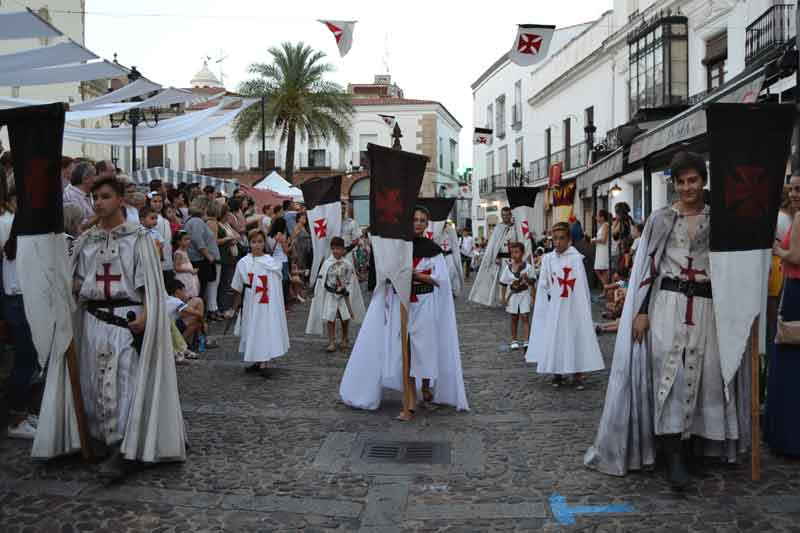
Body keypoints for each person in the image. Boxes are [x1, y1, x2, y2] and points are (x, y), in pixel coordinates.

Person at [585, 151, 749, 490]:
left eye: (693, 180)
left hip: (707, 306)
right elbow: (647, 270)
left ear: (703, 181)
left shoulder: (719, 219)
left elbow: (732, 265)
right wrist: (641, 312)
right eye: (681, 181)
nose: (687, 187)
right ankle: (672, 456)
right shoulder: (660, 220)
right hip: (667, 305)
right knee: (669, 375)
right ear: (673, 185)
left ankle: (691, 451)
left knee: (704, 375)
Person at [34, 176, 186, 473]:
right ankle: (99, 441)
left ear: (120, 200)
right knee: (93, 384)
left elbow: (148, 285)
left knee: (124, 385)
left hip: (124, 323)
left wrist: (145, 313)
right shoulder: (85, 241)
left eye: (105, 196)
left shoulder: (138, 238)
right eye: (95, 198)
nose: (98, 203)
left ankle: (126, 449)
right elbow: (77, 283)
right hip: (92, 322)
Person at [339, 206, 469, 419]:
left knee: (425, 350)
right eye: (415, 219)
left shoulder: (433, 250)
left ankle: (426, 385)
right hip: (403, 303)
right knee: (406, 350)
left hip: (425, 305)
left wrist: (416, 276)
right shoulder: (400, 249)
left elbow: (441, 280)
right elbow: (387, 276)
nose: (418, 223)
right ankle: (409, 402)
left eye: (422, 220)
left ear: (427, 224)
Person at [525, 222, 604, 390]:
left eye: (562, 238)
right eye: (555, 239)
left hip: (573, 307)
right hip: (555, 307)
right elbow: (544, 283)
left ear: (568, 239)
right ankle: (557, 372)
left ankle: (577, 373)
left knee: (574, 336)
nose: (558, 242)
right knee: (556, 337)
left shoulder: (575, 259)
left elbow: (581, 287)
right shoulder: (548, 259)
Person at [2, 185, 40, 439]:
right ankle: (17, 417)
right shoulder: (6, 222)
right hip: (16, 297)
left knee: (31, 358)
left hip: (21, 295)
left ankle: (25, 411)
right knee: (25, 359)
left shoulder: (10, 220)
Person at [766, 172, 800, 457]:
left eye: (799, 189)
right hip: (792, 286)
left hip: (795, 288)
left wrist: (776, 247)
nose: (795, 194)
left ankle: (788, 433)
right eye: (793, 188)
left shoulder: (798, 217)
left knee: (787, 353)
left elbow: (796, 256)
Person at [228, 229, 289, 376]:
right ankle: (256, 360)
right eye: (254, 242)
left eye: (260, 242)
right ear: (249, 243)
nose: (257, 245)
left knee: (264, 330)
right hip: (250, 302)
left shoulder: (271, 263)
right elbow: (238, 286)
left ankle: (264, 362)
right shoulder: (243, 262)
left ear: (264, 243)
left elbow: (275, 286)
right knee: (251, 330)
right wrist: (234, 308)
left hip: (266, 304)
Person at [306, 236, 366, 352]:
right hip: (331, 294)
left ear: (343, 249)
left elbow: (351, 279)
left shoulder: (347, 264)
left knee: (345, 317)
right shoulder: (327, 263)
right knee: (330, 317)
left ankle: (344, 337)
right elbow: (322, 280)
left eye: (339, 248)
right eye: (333, 248)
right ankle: (331, 341)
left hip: (343, 295)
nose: (336, 251)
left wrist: (345, 287)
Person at [469, 207, 521, 307]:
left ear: (510, 215)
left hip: (513, 258)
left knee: (513, 279)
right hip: (502, 259)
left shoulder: (515, 227)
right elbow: (494, 245)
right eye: (503, 215)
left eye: (507, 215)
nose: (505, 217)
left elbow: (519, 242)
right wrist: (496, 256)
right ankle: (503, 299)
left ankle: (512, 298)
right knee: (503, 279)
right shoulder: (499, 228)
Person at [183, 197, 220, 315]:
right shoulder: (197, 221)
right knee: (199, 290)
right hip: (199, 260)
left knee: (201, 289)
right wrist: (209, 256)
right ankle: (198, 316)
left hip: (199, 259)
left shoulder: (194, 221)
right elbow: (198, 240)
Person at [500, 242, 535, 351]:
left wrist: (527, 279)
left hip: (524, 294)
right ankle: (514, 340)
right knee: (514, 318)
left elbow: (533, 282)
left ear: (522, 253)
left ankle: (526, 340)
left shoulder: (528, 267)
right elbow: (503, 283)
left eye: (517, 252)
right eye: (512, 252)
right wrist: (503, 298)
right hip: (513, 296)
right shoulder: (508, 268)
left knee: (525, 316)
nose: (514, 255)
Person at [430, 220, 464, 297]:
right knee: (441, 274)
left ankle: (453, 290)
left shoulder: (451, 230)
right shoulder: (435, 231)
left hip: (449, 255)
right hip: (440, 256)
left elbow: (454, 244)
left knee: (452, 272)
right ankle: (442, 291)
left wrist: (456, 255)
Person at [148, 192, 174, 282]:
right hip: (156, 262)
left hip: (167, 261)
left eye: (160, 201)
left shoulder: (165, 219)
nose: (158, 204)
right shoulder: (150, 220)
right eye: (154, 201)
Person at [63, 161, 96, 226]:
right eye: (94, 175)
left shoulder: (88, 193)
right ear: (85, 179)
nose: (97, 178)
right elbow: (80, 226)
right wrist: (101, 214)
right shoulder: (70, 196)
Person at [266, 216, 291, 302]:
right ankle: (283, 301)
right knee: (284, 281)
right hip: (283, 260)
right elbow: (286, 250)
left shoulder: (269, 236)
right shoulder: (282, 237)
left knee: (276, 281)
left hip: (273, 260)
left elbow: (269, 249)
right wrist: (291, 244)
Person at [172, 230, 200, 299]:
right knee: (185, 295)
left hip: (188, 277)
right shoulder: (178, 253)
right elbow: (176, 268)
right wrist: (190, 270)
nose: (188, 241)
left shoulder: (184, 251)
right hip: (183, 278)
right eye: (185, 239)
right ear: (179, 241)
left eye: (188, 239)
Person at [592, 210, 610, 288]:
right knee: (602, 270)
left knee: (600, 269)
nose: (596, 218)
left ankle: (606, 287)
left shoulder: (606, 225)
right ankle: (605, 288)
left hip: (603, 250)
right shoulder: (603, 226)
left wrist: (594, 240)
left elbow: (604, 239)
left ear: (602, 218)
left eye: (598, 216)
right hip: (600, 249)